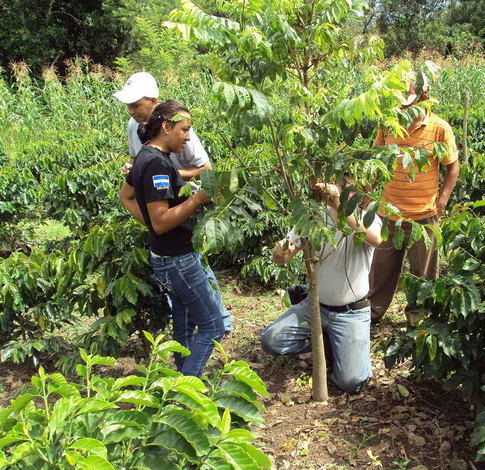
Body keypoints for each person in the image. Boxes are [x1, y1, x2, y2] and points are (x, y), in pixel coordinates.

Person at [113, 72, 232, 332]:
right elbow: (136, 169)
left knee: (195, 265)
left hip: (183, 207)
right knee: (182, 275)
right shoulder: (134, 128)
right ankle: (200, 329)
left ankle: (218, 322)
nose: (132, 111)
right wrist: (137, 173)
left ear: (153, 101)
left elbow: (206, 169)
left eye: (136, 105)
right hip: (163, 210)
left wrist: (170, 175)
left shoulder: (179, 127)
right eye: (128, 106)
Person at [119, 100, 224, 376]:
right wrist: (199, 198)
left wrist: (152, 224)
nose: (188, 137)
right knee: (214, 326)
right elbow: (162, 221)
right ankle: (185, 392)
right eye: (184, 130)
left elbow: (126, 197)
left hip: (169, 256)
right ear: (166, 127)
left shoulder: (145, 156)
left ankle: (182, 378)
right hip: (178, 261)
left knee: (185, 323)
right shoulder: (156, 165)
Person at [261, 179, 383, 393]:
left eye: (352, 189)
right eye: (342, 186)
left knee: (351, 382)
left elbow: (374, 239)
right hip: (315, 306)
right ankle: (326, 342)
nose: (346, 192)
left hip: (351, 313)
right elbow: (284, 256)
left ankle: (343, 348)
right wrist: (280, 253)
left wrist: (339, 207)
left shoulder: (368, 219)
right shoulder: (313, 218)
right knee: (272, 340)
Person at [368, 72, 460, 325]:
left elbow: (453, 167)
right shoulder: (387, 125)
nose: (403, 108)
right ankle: (372, 314)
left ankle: (417, 320)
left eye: (408, 102)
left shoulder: (440, 128)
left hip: (424, 216)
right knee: (381, 270)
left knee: (423, 274)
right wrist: (366, 192)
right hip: (388, 214)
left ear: (424, 97)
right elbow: (377, 163)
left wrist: (443, 199)